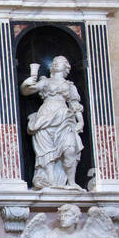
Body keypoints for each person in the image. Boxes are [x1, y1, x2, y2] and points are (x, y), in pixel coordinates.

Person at [20, 55, 84, 189]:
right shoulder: (45, 82)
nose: (55, 64)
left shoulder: (69, 85)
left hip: (64, 117)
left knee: (70, 149)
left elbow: (75, 104)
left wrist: (81, 122)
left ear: (66, 67)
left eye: (59, 62)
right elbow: (26, 91)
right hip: (45, 116)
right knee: (46, 151)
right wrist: (27, 83)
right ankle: (51, 181)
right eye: (54, 62)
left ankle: (71, 182)